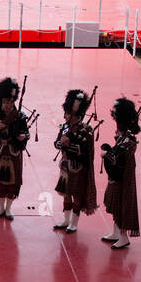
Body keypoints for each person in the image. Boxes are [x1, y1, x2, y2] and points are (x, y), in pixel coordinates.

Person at [53, 89, 97, 234]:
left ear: (74, 114)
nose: (65, 115)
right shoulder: (65, 127)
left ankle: (74, 223)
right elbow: (56, 143)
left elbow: (85, 151)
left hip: (78, 167)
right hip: (65, 165)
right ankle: (66, 220)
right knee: (66, 193)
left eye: (67, 113)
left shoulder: (86, 130)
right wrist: (60, 143)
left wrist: (69, 145)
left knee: (77, 195)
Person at [0, 77, 31, 220]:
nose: (6, 105)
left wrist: (23, 137)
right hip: (1, 149)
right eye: (5, 102)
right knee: (1, 182)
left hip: (14, 151)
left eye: (9, 102)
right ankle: (0, 208)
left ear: (13, 102)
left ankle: (8, 209)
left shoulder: (20, 116)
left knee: (12, 183)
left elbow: (26, 133)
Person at [101, 97, 141, 249]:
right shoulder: (124, 137)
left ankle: (124, 237)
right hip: (117, 176)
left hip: (122, 177)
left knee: (120, 206)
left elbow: (116, 157)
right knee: (115, 204)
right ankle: (116, 233)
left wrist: (106, 153)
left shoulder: (128, 140)